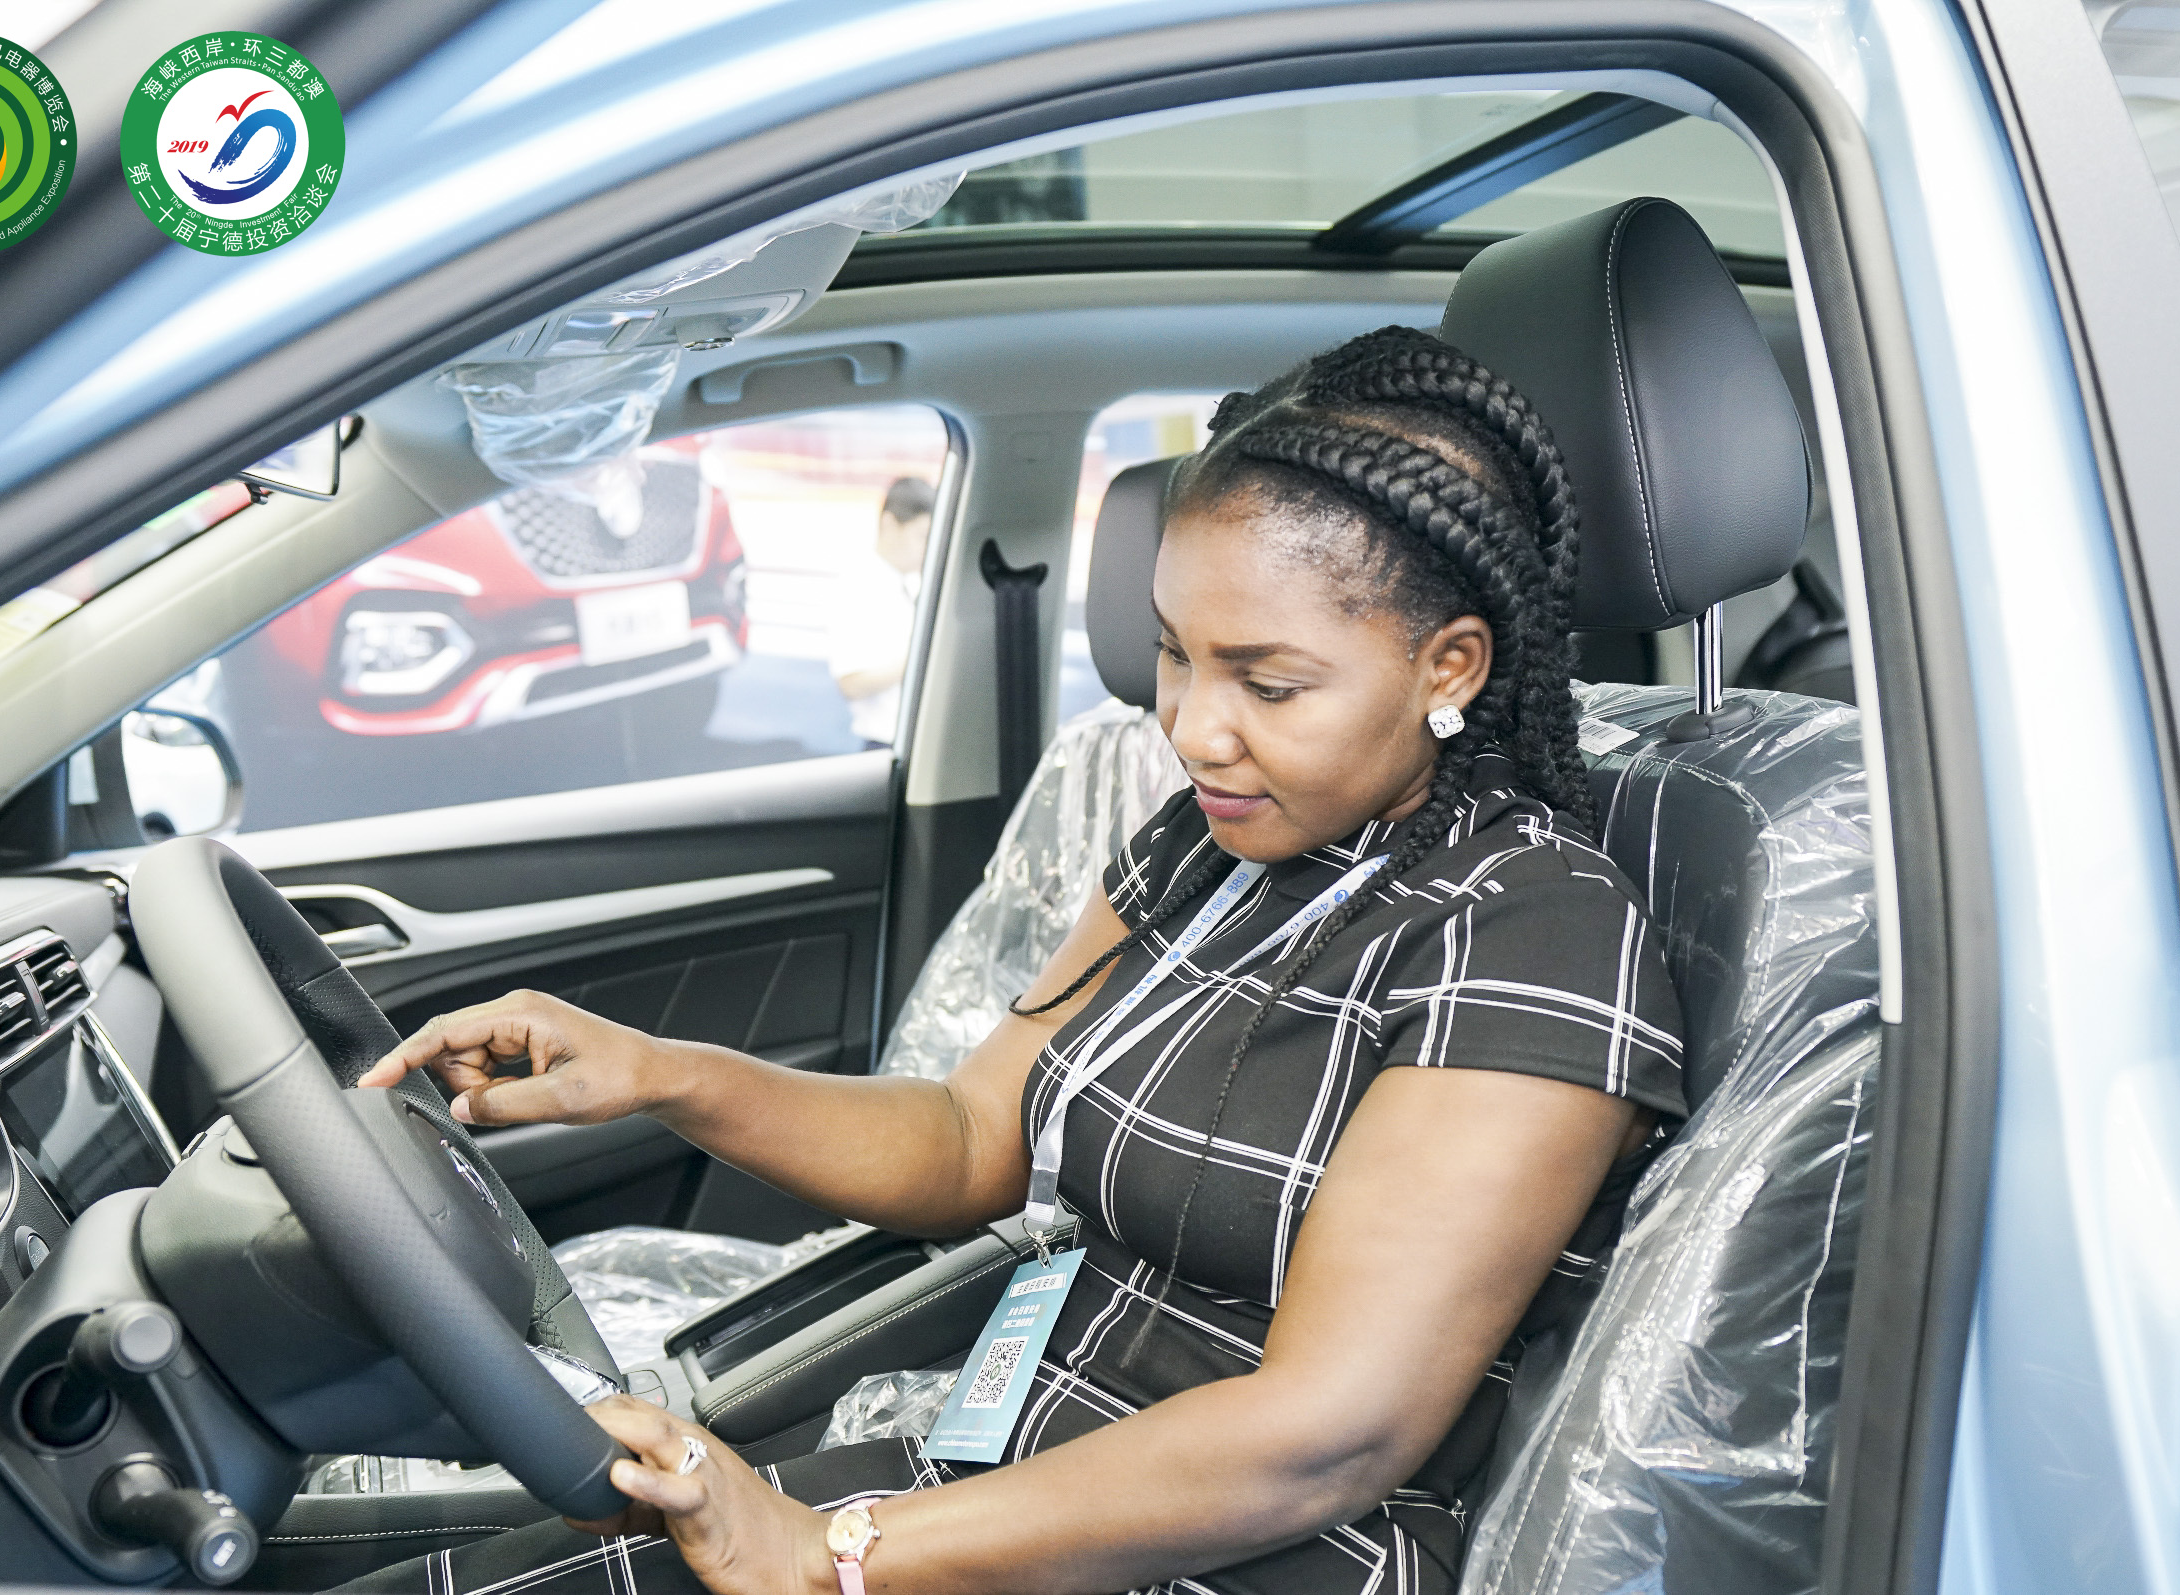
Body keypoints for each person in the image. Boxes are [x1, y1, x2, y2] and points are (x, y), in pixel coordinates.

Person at [351, 326, 1686, 1595]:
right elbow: (968, 1137)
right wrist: (660, 1073)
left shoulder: (1534, 931)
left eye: (1268, 684)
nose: (1193, 727)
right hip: (1004, 1485)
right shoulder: (1212, 844)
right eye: (1173, 652)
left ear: (1448, 665)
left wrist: (830, 1550)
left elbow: (1325, 1434)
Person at [829, 477, 934, 748]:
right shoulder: (857, 585)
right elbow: (851, 683)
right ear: (889, 524)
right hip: (885, 744)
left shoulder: (913, 581)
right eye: (923, 536)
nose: (928, 549)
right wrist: (925, 657)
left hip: (919, 742)